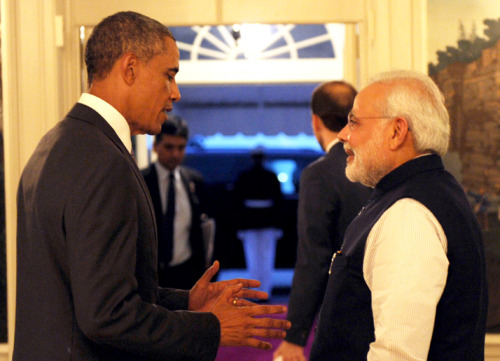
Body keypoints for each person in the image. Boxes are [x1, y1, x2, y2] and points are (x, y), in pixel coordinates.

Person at [13, 11, 291, 361]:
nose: (175, 93)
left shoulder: (56, 142)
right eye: (169, 75)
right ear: (130, 68)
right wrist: (213, 327)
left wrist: (187, 302)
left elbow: (88, 286)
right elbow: (108, 314)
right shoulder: (101, 158)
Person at [309, 70, 488, 361]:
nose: (343, 134)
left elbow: (396, 354)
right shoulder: (430, 190)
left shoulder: (409, 215)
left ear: (396, 131)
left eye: (354, 121)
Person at [274, 81, 371, 361]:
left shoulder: (319, 175)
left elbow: (313, 259)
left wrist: (295, 337)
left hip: (341, 316)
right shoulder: (378, 167)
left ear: (315, 121)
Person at [142, 116, 208, 289]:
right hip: (150, 273)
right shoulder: (141, 180)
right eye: (169, 147)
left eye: (181, 148)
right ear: (156, 147)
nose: (175, 154)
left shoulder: (194, 181)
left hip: (186, 272)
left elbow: (199, 230)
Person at [234, 149, 283, 296]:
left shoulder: (246, 176)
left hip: (255, 220)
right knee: (261, 258)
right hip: (262, 220)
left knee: (258, 258)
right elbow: (279, 202)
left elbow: (237, 203)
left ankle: (261, 291)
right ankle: (260, 291)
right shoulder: (270, 176)